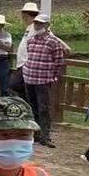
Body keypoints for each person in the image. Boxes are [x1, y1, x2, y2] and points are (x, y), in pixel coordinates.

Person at [21, 11, 69, 147]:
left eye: (40, 23)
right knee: (32, 107)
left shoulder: (53, 42)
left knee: (44, 108)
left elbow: (59, 61)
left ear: (47, 25)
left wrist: (52, 76)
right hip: (29, 77)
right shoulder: (31, 40)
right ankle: (35, 134)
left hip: (43, 80)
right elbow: (28, 56)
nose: (37, 25)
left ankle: (45, 136)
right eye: (36, 22)